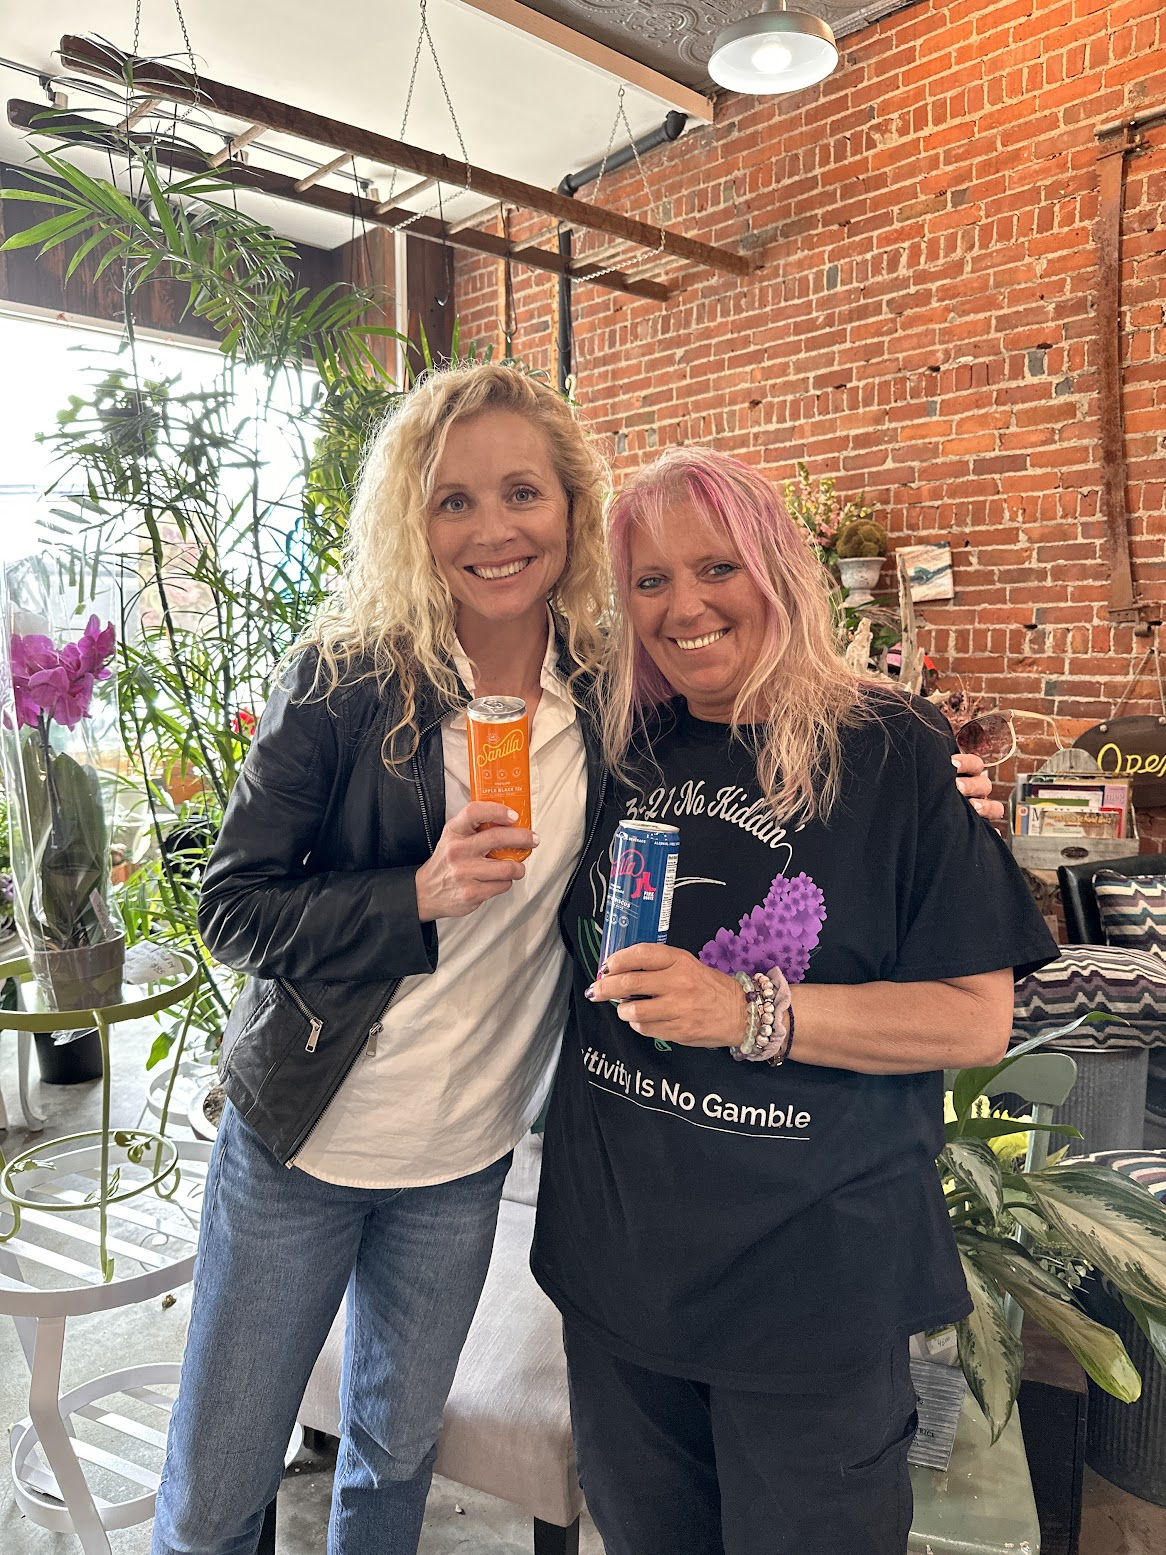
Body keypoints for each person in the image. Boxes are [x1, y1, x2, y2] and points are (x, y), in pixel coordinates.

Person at [153, 362, 1002, 1555]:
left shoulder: (606, 696)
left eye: (522, 493)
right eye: (453, 501)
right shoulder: (350, 682)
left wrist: (925, 765)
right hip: (308, 1140)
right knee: (219, 1480)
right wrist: (415, 893)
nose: (493, 529)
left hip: (464, 1159)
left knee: (393, 1458)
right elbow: (232, 905)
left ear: (566, 511)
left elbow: (775, 716)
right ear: (413, 519)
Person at [531, 447, 1057, 1555]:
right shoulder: (606, 732)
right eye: (648, 581)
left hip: (808, 1287)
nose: (683, 607)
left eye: (715, 565)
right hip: (620, 1273)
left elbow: (972, 1017)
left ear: (775, 565)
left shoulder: (891, 749)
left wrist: (749, 1012)